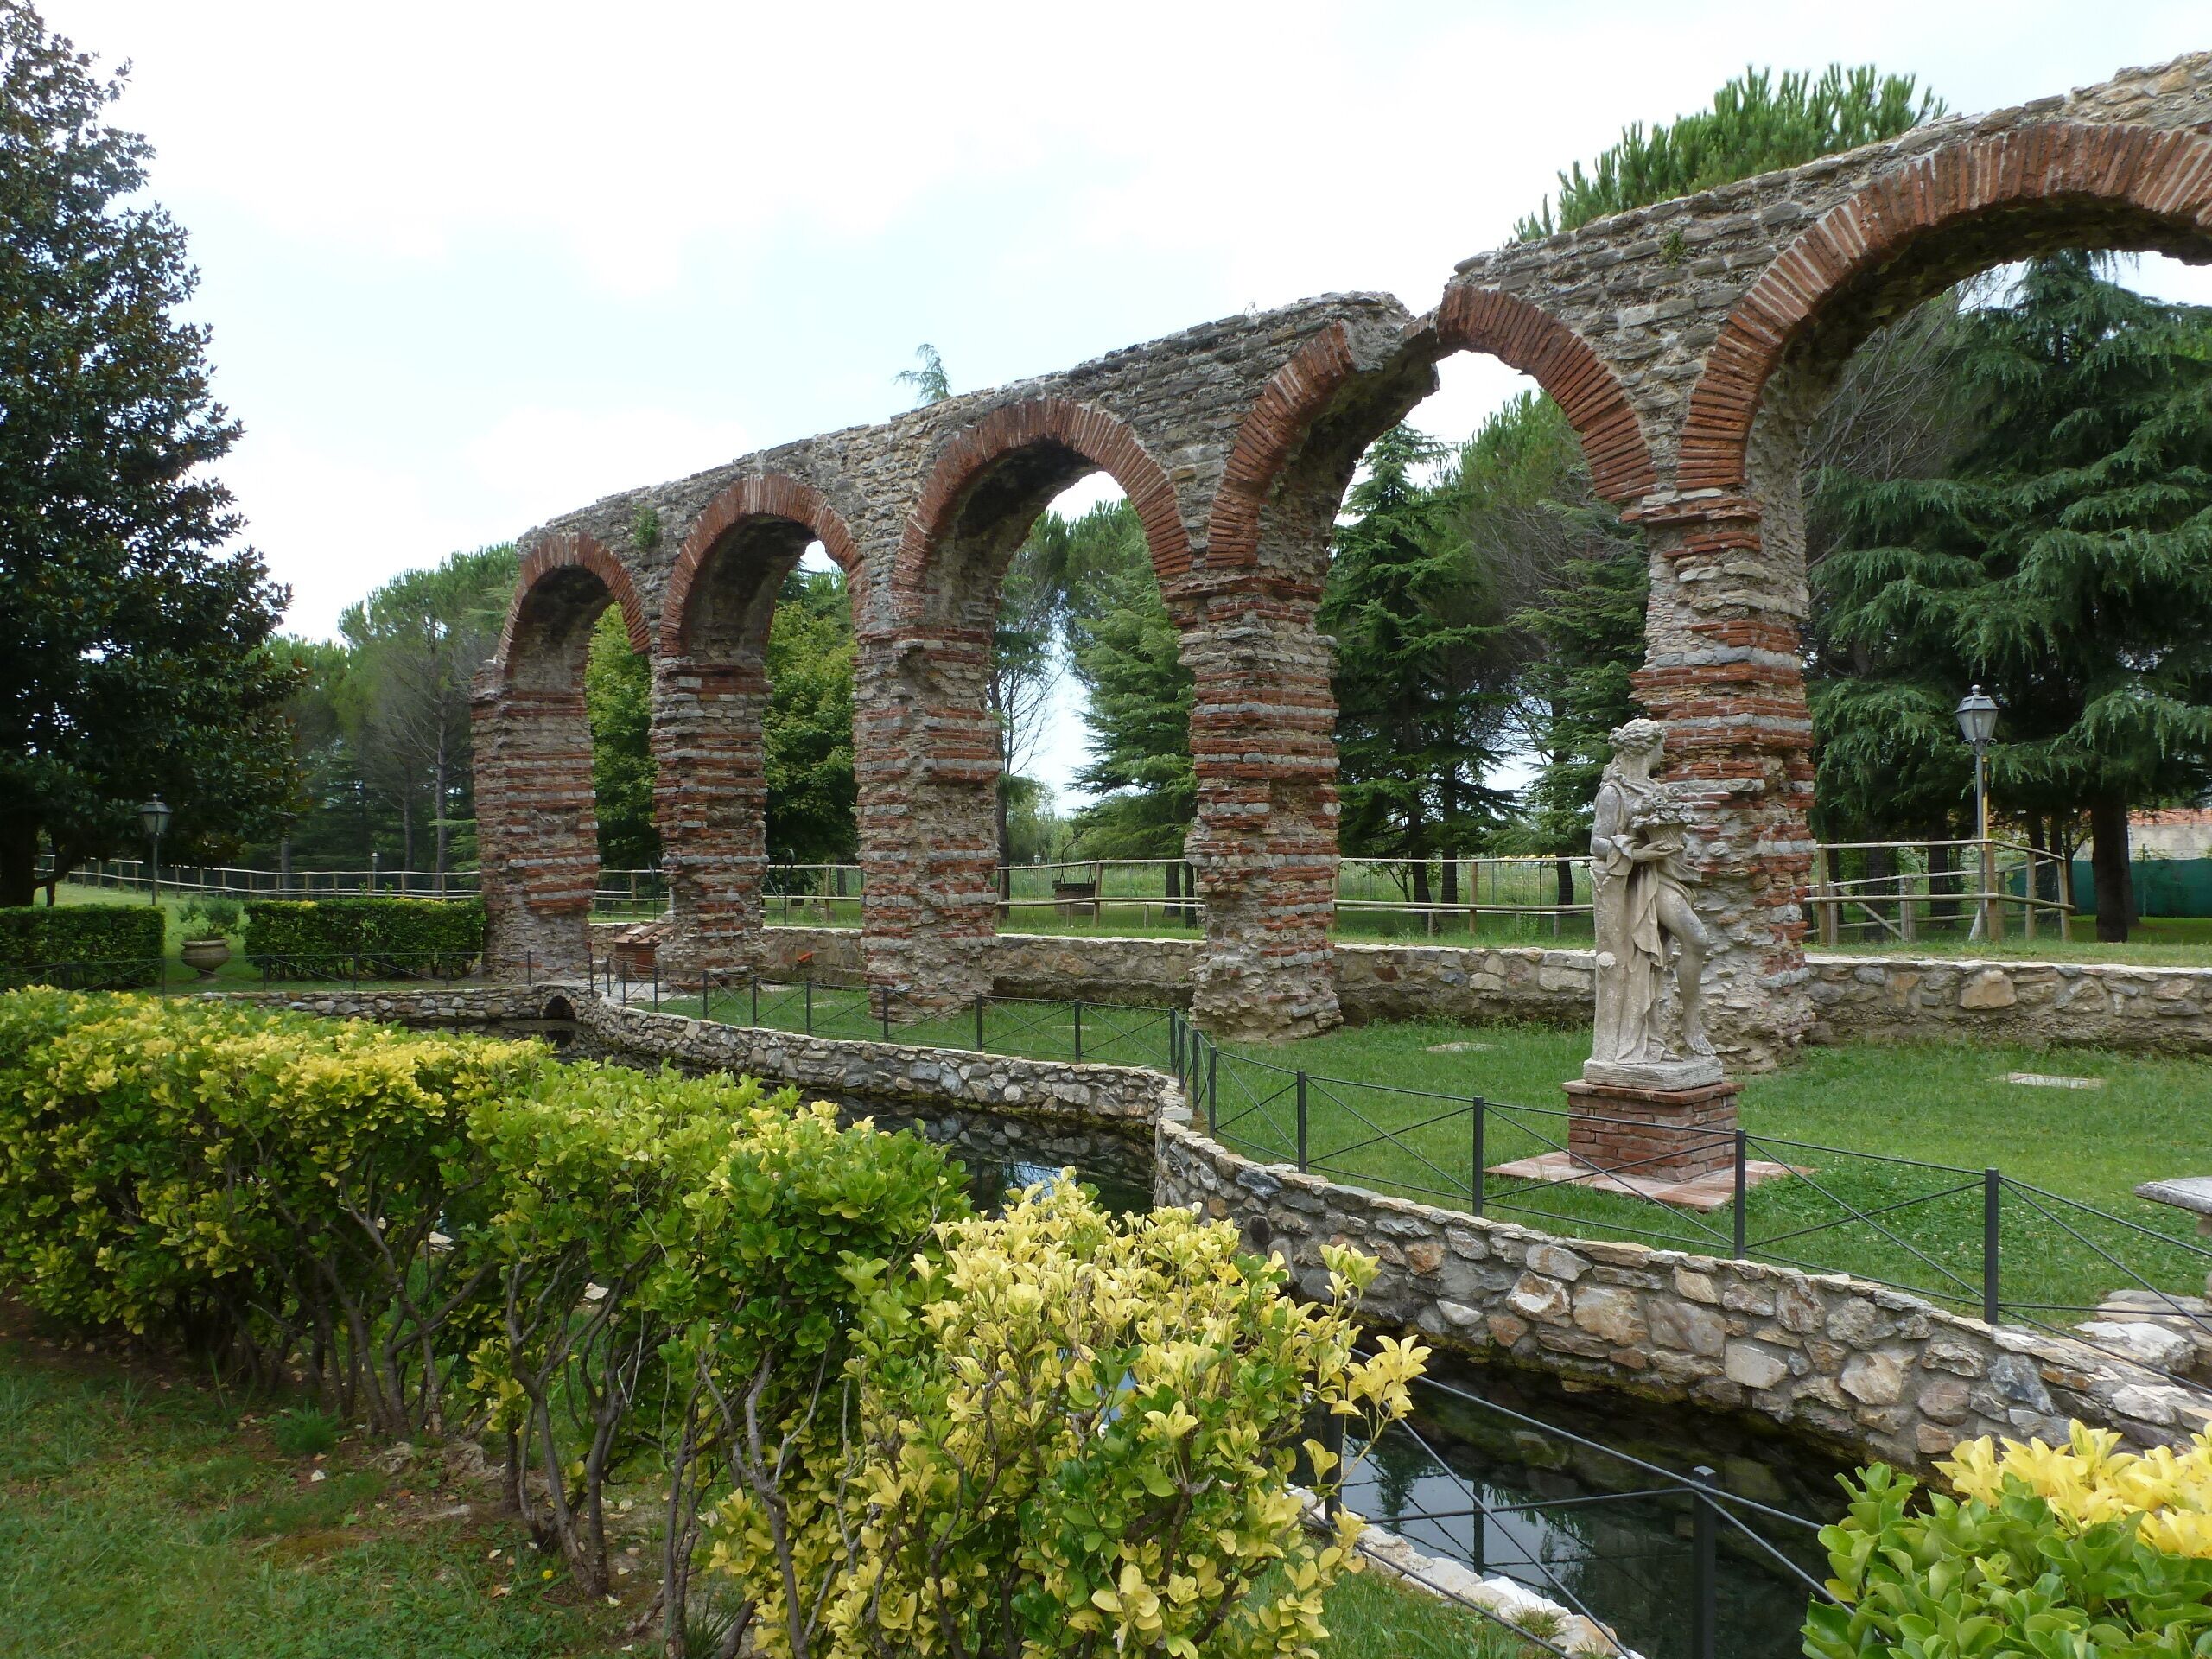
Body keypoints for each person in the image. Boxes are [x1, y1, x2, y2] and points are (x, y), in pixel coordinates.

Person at [1588, 718, 1713, 1066]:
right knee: (1694, 939)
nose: (1663, 753)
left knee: (1664, 958)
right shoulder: (1614, 792)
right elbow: (1597, 843)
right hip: (1638, 881)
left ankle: (1678, 1028)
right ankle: (1685, 1027)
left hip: (1667, 874)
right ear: (1648, 748)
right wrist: (1639, 853)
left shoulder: (1657, 790)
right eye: (1661, 746)